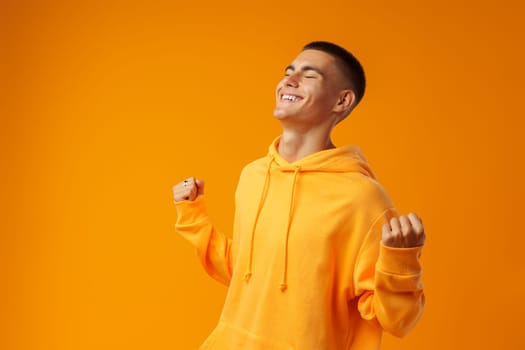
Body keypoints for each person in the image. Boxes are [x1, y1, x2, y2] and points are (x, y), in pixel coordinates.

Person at [172, 41, 426, 350]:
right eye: (288, 72)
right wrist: (193, 217)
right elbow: (243, 272)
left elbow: (396, 320)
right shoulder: (253, 176)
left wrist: (400, 263)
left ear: (342, 101)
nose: (289, 81)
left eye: (310, 75)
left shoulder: (363, 199)